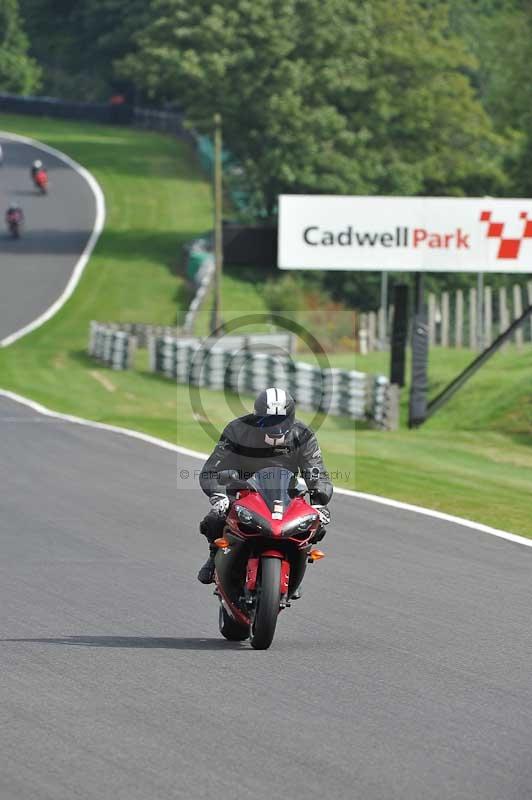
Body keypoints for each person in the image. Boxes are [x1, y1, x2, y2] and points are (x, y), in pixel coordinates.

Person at [197, 387, 333, 585]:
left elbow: (316, 471)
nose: (275, 428)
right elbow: (211, 468)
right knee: (214, 520)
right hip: (243, 490)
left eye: (281, 421)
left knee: (316, 526)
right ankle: (214, 556)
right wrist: (218, 494)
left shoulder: (302, 435)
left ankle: (295, 565)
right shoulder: (237, 429)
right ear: (256, 416)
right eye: (267, 421)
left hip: (286, 494)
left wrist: (319, 500)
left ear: (291, 418)